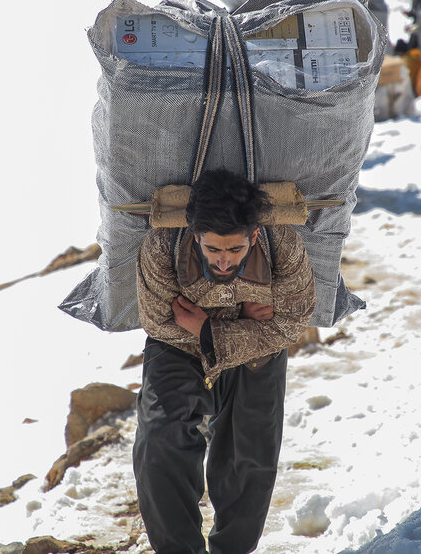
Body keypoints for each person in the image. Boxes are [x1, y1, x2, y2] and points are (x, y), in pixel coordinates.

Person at [133, 168, 317, 554]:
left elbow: (293, 322)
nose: (222, 262)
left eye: (235, 250)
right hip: (178, 349)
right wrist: (243, 320)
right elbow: (159, 322)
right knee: (159, 443)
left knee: (251, 458)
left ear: (253, 236)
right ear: (195, 234)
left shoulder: (282, 244)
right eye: (213, 249)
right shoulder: (160, 246)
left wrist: (207, 329)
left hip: (250, 355)